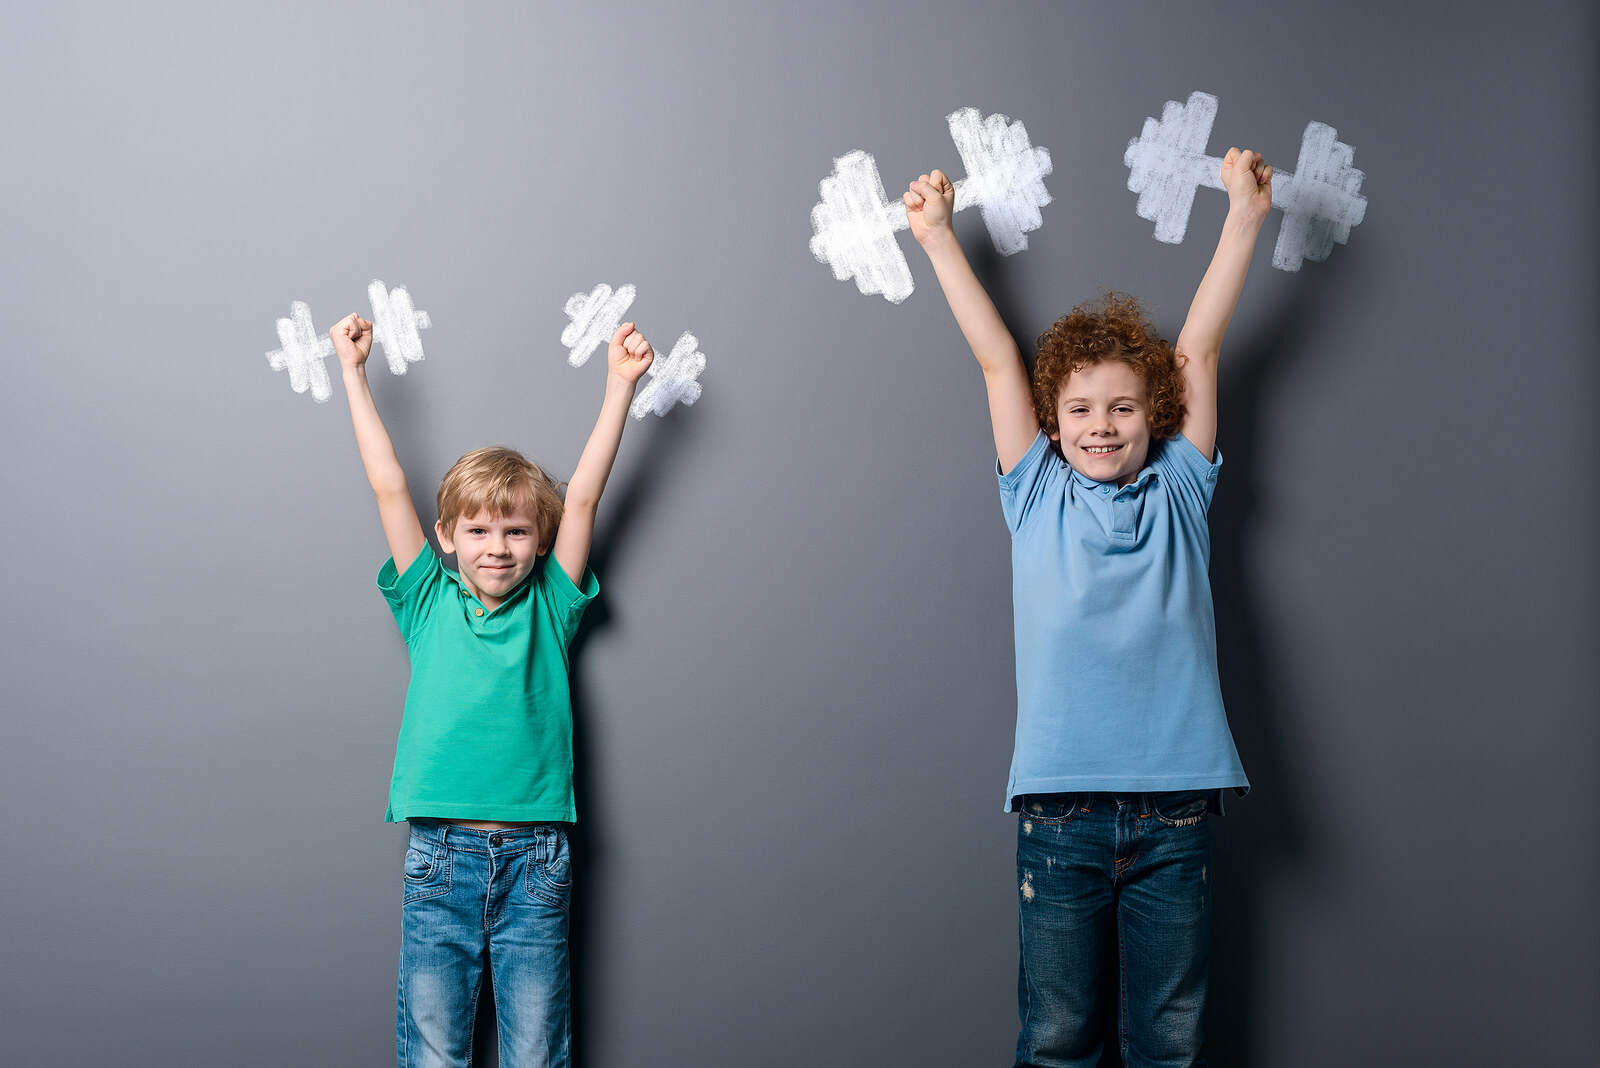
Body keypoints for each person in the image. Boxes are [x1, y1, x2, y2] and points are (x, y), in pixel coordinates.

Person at [903, 145, 1273, 1067]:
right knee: (1060, 1037)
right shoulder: (1034, 494)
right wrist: (941, 240)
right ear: (1052, 419)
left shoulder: (1182, 490)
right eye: (1078, 409)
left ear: (1159, 417)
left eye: (1122, 408)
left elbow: (1199, 347)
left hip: (1175, 814)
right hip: (1059, 816)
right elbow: (996, 364)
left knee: (1168, 1041)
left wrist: (1243, 220)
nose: (1101, 424)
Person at [331, 310, 655, 1067]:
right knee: (436, 1053)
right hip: (438, 857)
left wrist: (619, 387)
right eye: (477, 531)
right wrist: (353, 373)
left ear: (538, 543)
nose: (497, 548)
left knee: (537, 1053)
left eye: (515, 533)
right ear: (446, 537)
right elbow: (387, 487)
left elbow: (583, 499)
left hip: (538, 858)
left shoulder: (551, 602)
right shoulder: (427, 601)